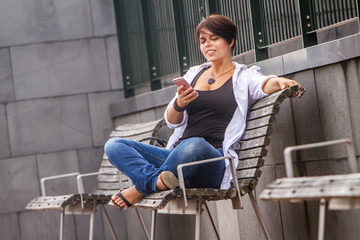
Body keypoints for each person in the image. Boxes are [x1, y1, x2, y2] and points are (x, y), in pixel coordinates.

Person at [104, 15, 302, 208]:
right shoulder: (194, 73)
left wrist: (281, 82)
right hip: (177, 157)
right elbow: (172, 122)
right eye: (203, 41)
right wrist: (179, 104)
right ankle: (156, 182)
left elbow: (264, 84)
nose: (208, 45)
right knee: (114, 145)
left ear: (230, 41)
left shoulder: (243, 76)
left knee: (195, 144)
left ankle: (141, 188)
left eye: (214, 39)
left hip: (213, 161)